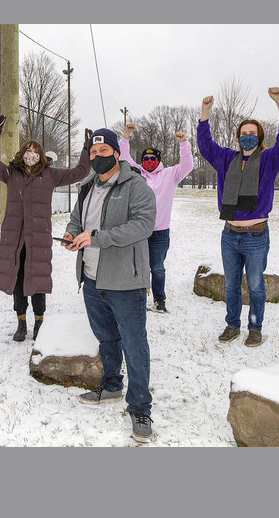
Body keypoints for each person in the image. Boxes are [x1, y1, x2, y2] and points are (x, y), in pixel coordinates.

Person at [62, 128, 157, 443]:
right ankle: (113, 386)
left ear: (117, 153)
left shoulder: (136, 185)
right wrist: (70, 234)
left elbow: (143, 225)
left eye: (103, 153)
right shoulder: (88, 185)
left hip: (124, 281)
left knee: (134, 343)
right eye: (92, 153)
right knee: (106, 339)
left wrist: (98, 237)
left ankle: (141, 406)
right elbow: (77, 221)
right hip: (91, 277)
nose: (97, 158)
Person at [197, 87, 279, 347]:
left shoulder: (269, 160)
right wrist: (205, 114)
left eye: (252, 134)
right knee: (231, 286)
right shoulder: (226, 158)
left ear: (259, 137)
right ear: (238, 138)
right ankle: (232, 325)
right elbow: (205, 146)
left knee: (255, 287)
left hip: (256, 236)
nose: (247, 137)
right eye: (243, 134)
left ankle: (255, 328)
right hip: (230, 235)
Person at [0, 116, 91, 342]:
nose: (31, 154)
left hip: (38, 238)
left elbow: (80, 172)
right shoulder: (11, 174)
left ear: (41, 156)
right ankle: (21, 322)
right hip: (15, 239)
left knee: (38, 281)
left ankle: (40, 322)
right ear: (22, 154)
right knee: (18, 282)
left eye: (35, 151)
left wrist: (86, 148)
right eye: (27, 151)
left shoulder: (50, 175)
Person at [119, 124, 194, 313]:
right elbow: (123, 157)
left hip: (160, 231)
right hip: (137, 230)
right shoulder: (136, 173)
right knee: (137, 266)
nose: (149, 161)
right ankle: (138, 299)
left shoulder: (170, 174)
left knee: (157, 267)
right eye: (145, 158)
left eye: (153, 158)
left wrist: (183, 143)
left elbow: (187, 165)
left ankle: (160, 300)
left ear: (158, 160)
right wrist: (126, 136)